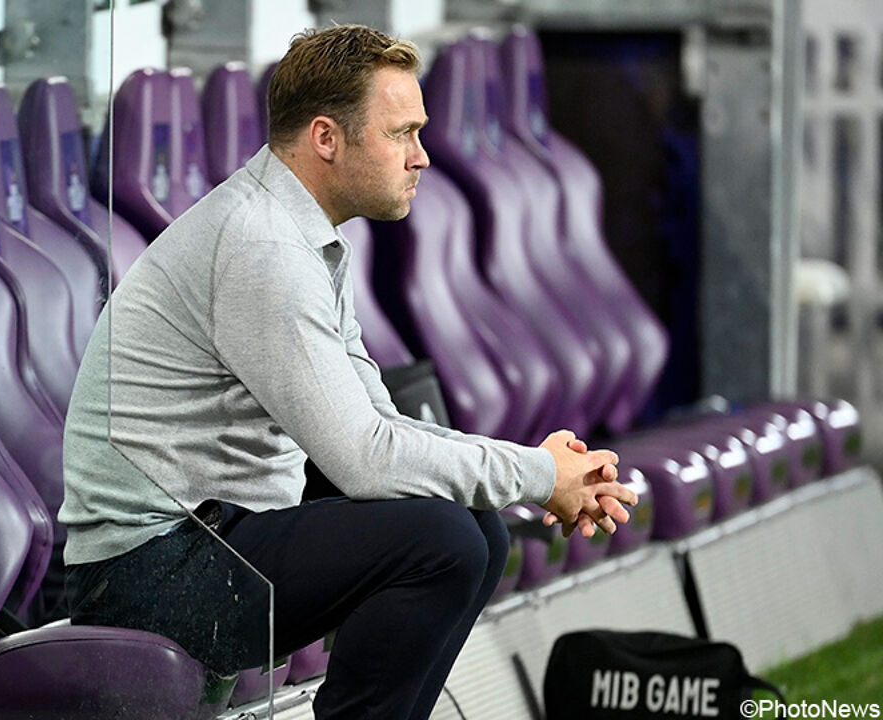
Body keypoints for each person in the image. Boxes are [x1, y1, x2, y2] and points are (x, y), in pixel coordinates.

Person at [59, 24, 638, 719]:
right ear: (327, 138)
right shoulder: (263, 246)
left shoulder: (303, 236)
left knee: (474, 529)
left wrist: (534, 475)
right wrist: (541, 476)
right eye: (402, 134)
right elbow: (363, 460)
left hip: (210, 538)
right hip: (146, 573)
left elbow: (381, 425)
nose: (422, 157)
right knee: (443, 541)